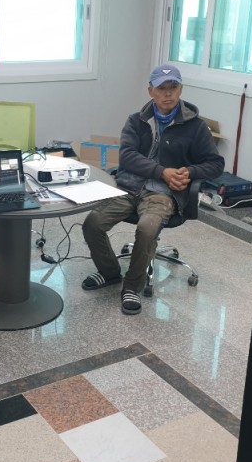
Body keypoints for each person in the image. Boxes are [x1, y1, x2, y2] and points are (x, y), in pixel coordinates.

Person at [81, 64, 225, 315]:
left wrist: (189, 172)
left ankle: (132, 286)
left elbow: (215, 164)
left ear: (181, 89)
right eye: (161, 88)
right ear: (151, 91)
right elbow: (126, 157)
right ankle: (110, 272)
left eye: (173, 87)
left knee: (147, 228)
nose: (168, 94)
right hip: (128, 186)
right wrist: (162, 171)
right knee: (92, 222)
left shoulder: (196, 126)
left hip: (164, 194)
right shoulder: (136, 121)